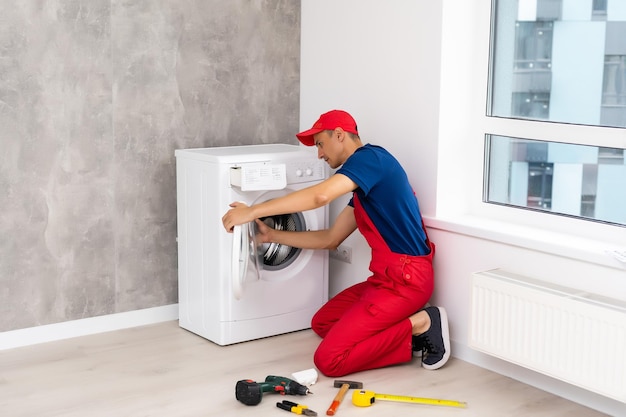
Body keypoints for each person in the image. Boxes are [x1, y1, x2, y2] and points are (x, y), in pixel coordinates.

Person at [222, 110, 450, 377]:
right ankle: (403, 328)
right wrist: (272, 236)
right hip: (385, 279)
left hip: (407, 280)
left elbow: (320, 196)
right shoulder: (364, 188)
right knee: (323, 322)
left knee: (330, 360)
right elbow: (330, 238)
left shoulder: (371, 159)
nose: (319, 154)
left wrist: (252, 211)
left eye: (320, 143)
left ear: (340, 135)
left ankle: (423, 322)